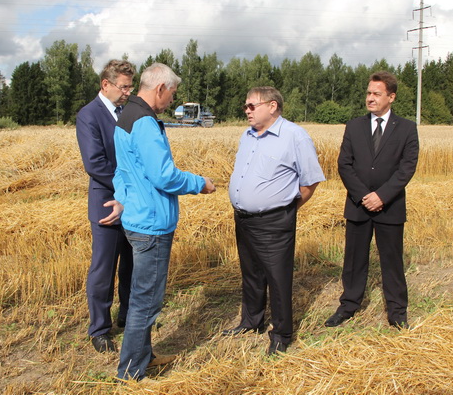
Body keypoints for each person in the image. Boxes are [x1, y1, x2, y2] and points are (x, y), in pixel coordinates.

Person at [113, 63, 216, 381]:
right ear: (160, 88)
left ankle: (143, 358)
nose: (172, 100)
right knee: (146, 301)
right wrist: (201, 183)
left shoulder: (125, 116)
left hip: (135, 218)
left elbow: (121, 171)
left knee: (140, 297)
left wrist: (124, 199)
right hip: (152, 225)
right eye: (172, 94)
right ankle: (130, 373)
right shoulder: (144, 122)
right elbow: (164, 176)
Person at [223, 86, 325, 355]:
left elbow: (311, 180)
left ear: (272, 106)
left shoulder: (295, 136)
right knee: (251, 273)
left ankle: (281, 333)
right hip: (243, 218)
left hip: (274, 220)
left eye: (251, 106)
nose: (247, 110)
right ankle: (251, 321)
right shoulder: (247, 136)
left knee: (278, 278)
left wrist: (285, 209)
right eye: (245, 106)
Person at [325, 71, 419, 330]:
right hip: (358, 205)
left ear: (391, 97)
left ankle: (397, 311)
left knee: (392, 260)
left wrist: (382, 196)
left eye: (377, 94)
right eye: (368, 93)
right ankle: (348, 306)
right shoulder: (353, 126)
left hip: (390, 206)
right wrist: (364, 196)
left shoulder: (407, 128)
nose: (370, 98)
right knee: (354, 260)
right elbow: (344, 164)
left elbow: (407, 167)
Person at [76, 59, 136, 353]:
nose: (128, 92)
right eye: (124, 87)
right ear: (106, 85)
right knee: (104, 268)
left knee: (131, 263)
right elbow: (95, 164)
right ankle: (100, 329)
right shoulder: (89, 115)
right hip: (107, 204)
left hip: (131, 202)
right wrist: (126, 189)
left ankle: (127, 317)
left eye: (130, 87)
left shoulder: (127, 113)